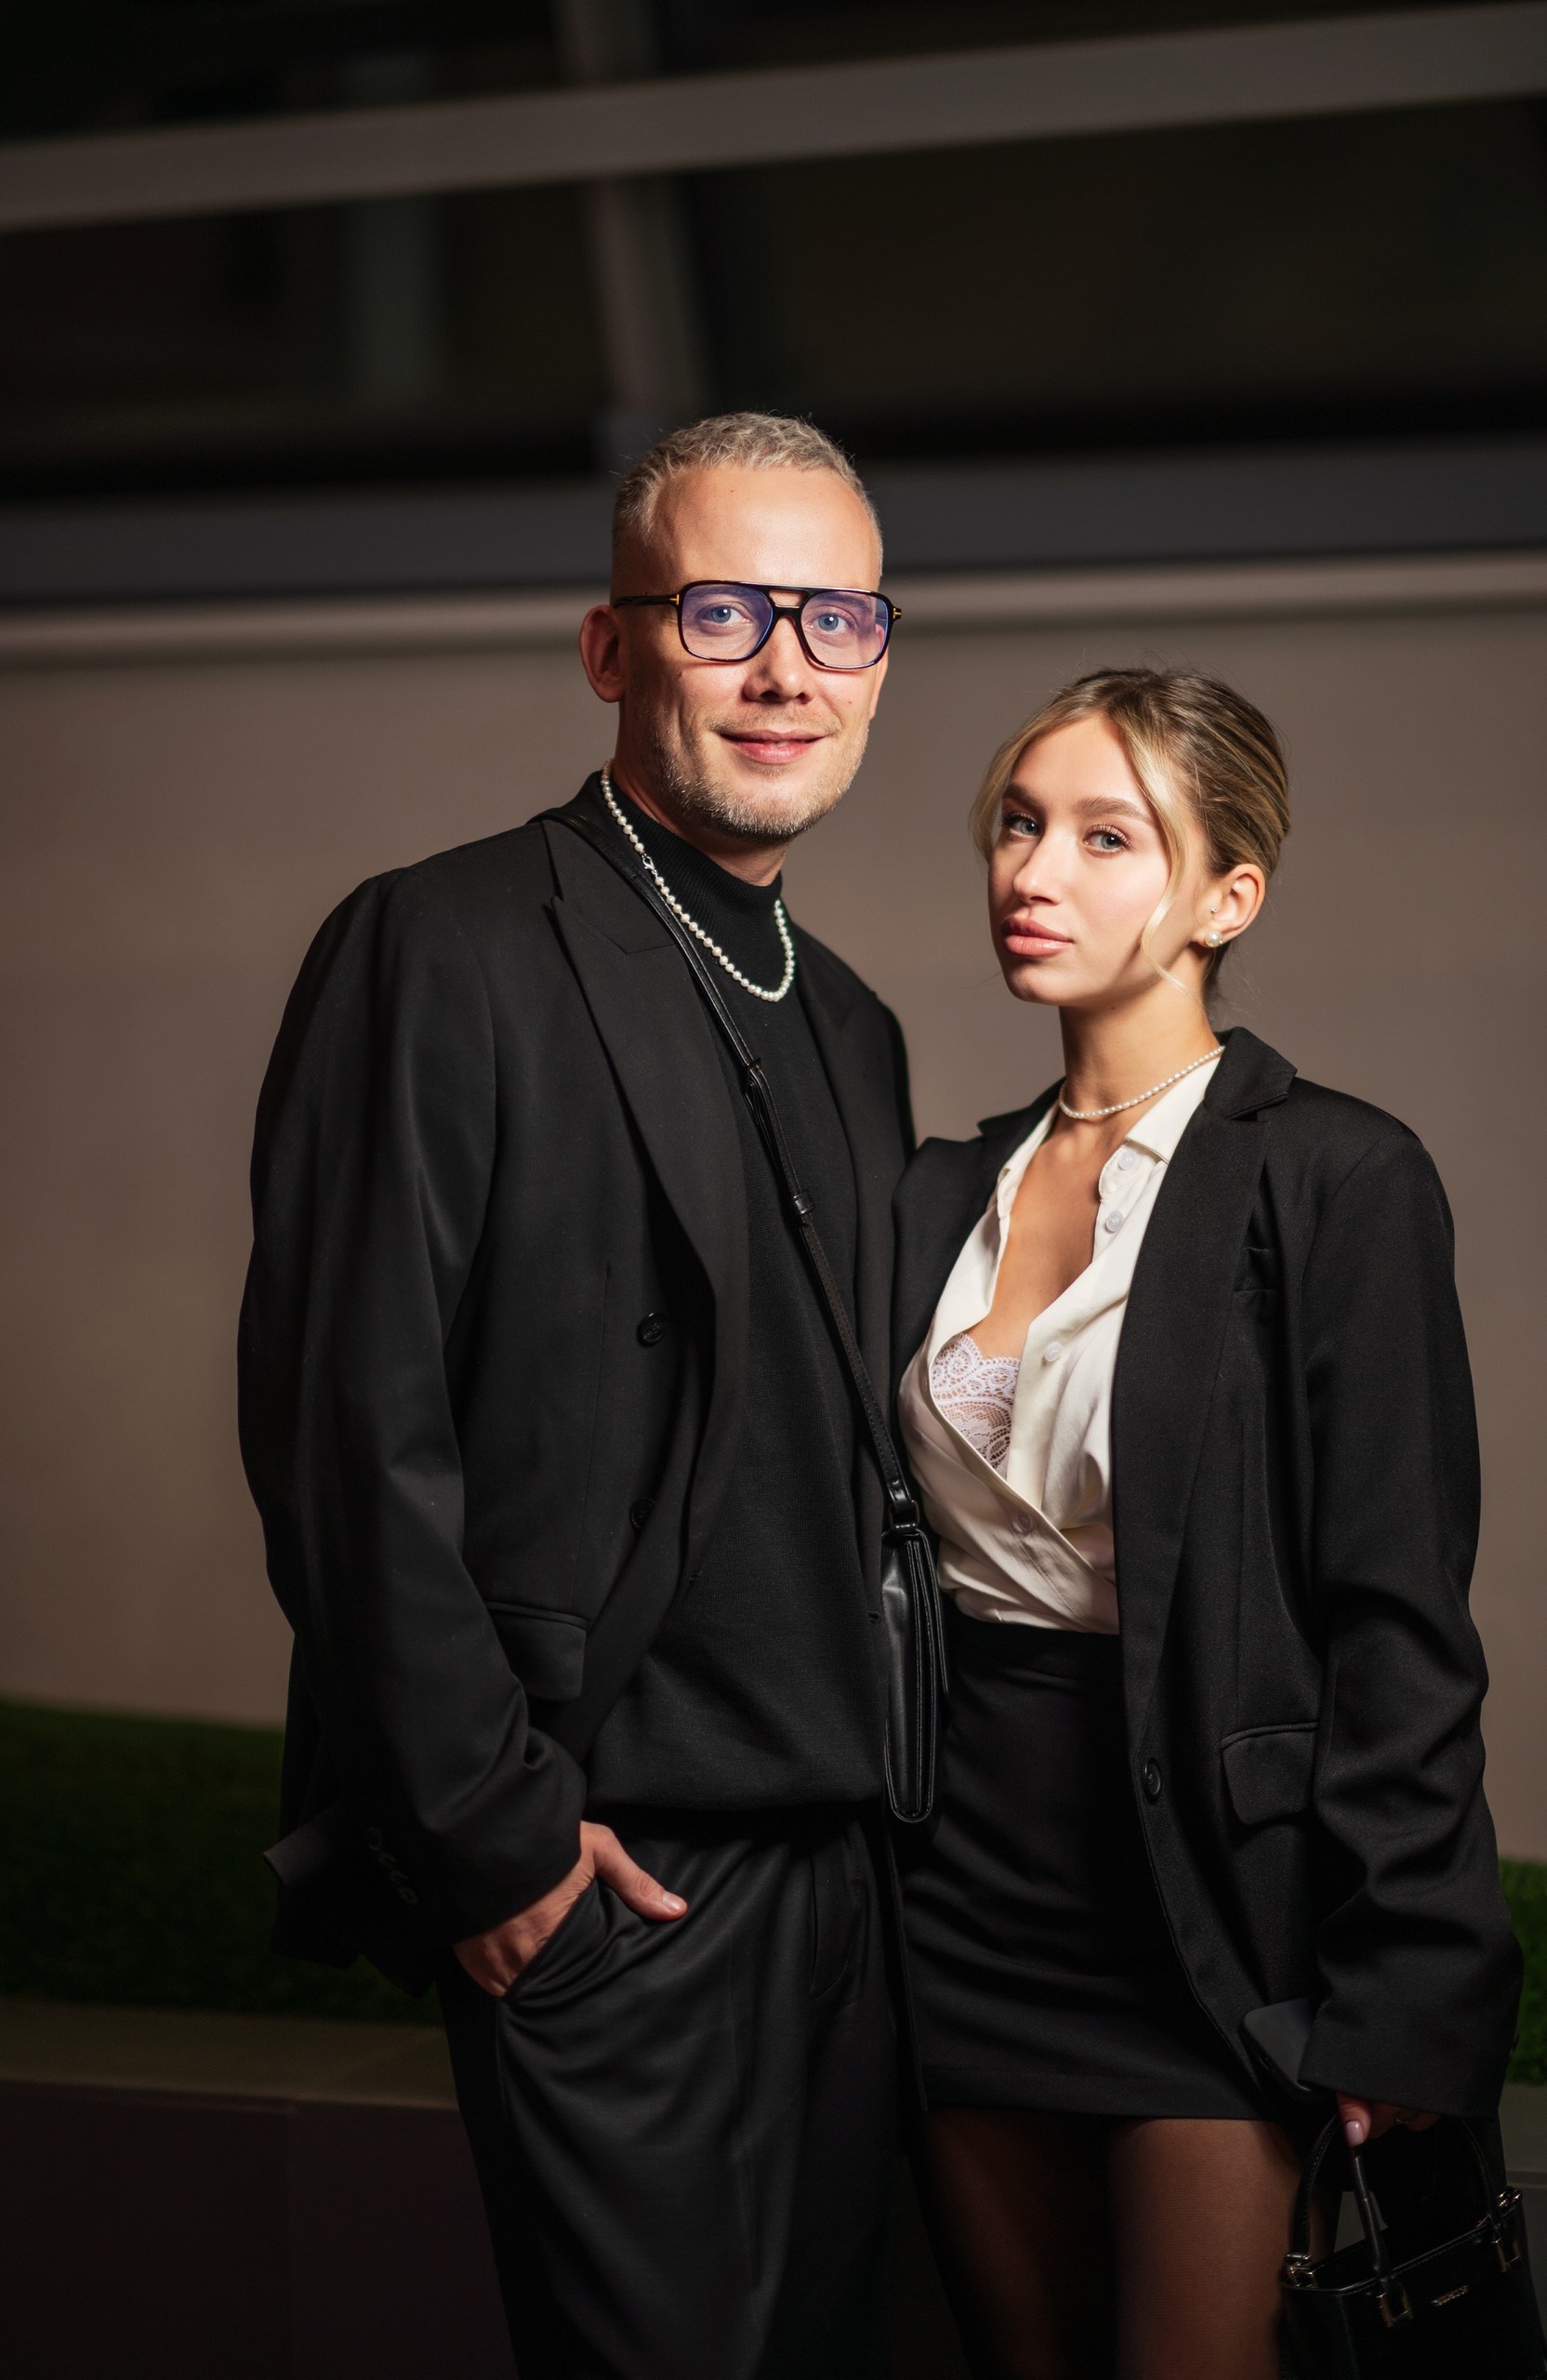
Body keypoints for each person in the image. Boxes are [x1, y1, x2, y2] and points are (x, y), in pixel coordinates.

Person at [238, 412, 916, 2380]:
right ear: (611, 646)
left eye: (837, 617)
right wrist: (501, 1848)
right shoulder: (442, 943)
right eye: (723, 611)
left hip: (863, 1882)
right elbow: (347, 1433)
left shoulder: (855, 1022)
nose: (786, 667)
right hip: (614, 1877)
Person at [890, 667, 1521, 2380]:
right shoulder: (934, 1190)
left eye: (1107, 837)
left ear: (1225, 897)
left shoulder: (1333, 1179)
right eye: (1017, 823)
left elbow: (1395, 1613)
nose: (1033, 870)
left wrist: (1404, 1981)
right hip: (958, 1899)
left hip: (1209, 1915)